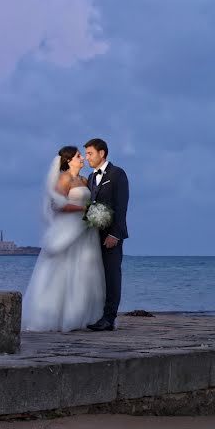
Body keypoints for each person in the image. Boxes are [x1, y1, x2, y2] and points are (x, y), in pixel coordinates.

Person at [21, 146, 106, 331]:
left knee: (85, 271)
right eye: (78, 156)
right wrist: (82, 209)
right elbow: (56, 205)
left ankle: (81, 314)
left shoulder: (84, 179)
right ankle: (55, 315)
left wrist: (96, 214)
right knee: (63, 269)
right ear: (68, 161)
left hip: (86, 230)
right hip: (68, 229)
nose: (82, 158)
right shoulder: (64, 178)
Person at [84, 138, 129, 332]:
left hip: (111, 236)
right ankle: (96, 314)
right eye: (85, 154)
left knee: (112, 276)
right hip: (94, 235)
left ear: (102, 153)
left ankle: (109, 318)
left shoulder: (118, 174)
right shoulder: (91, 178)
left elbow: (121, 206)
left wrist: (115, 235)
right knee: (97, 277)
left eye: (90, 153)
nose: (87, 158)